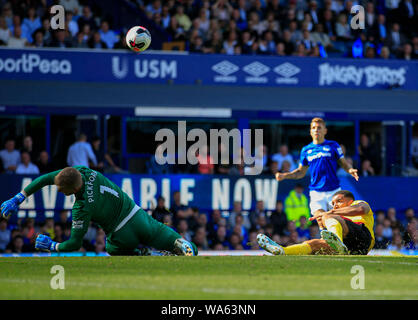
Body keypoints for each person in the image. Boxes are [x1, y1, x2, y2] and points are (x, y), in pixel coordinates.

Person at [1, 166, 197, 256]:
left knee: (111, 248)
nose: (60, 191)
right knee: (181, 244)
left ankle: (146, 255)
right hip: (138, 216)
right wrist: (20, 196)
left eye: (62, 191)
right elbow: (46, 179)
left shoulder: (82, 207)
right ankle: (182, 245)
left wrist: (52, 246)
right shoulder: (84, 171)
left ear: (72, 190)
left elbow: (74, 244)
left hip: (121, 235)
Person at [274, 118, 359, 229]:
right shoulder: (306, 150)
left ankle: (340, 241)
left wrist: (350, 170)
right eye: (313, 128)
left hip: (334, 191)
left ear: (325, 130)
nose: (316, 130)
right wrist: (285, 175)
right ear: (310, 131)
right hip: (316, 192)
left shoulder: (333, 146)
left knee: (338, 220)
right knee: (320, 219)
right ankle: (326, 241)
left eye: (319, 128)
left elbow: (343, 163)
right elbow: (300, 172)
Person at [257, 190, 375, 255]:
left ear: (350, 201)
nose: (335, 205)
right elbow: (327, 231)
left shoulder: (358, 203)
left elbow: (360, 209)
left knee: (328, 215)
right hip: (352, 248)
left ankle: (337, 243)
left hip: (364, 237)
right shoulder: (336, 216)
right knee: (314, 244)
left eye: (339, 201)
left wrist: (330, 213)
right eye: (333, 204)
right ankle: (283, 250)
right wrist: (322, 223)